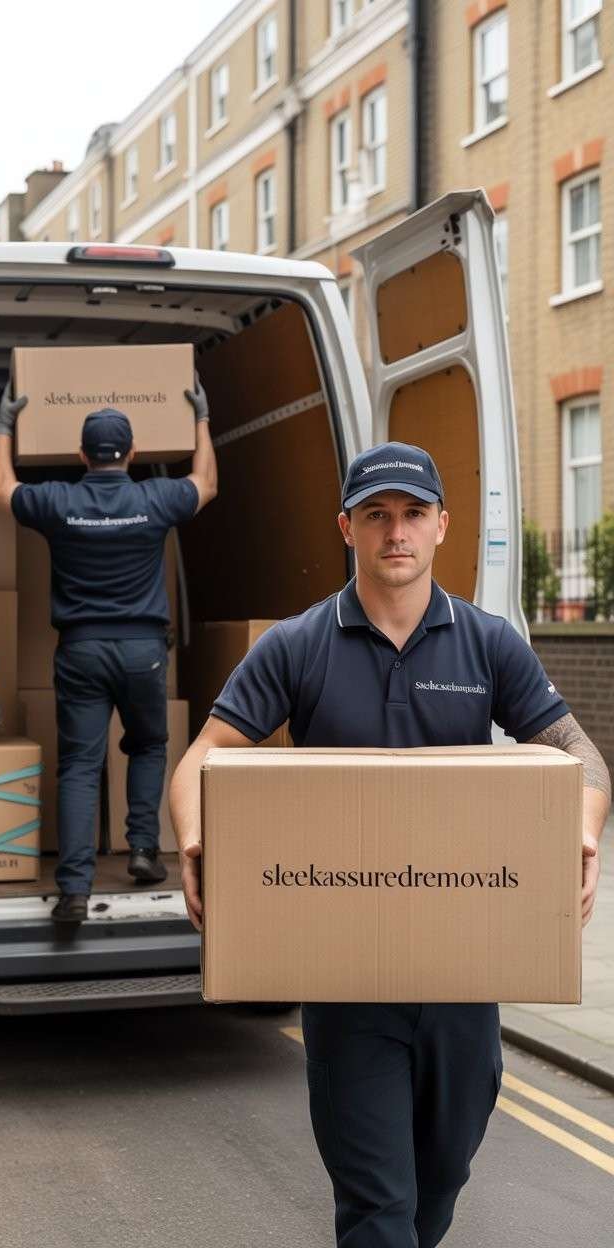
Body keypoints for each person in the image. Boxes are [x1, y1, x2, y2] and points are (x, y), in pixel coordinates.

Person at [169, 440, 609, 1248]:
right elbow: (205, 755)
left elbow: (579, 753)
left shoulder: (488, 643)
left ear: (443, 525)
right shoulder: (298, 645)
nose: (395, 532)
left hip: (463, 970)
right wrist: (197, 842)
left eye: (412, 514)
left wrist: (579, 835)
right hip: (345, 978)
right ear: (347, 527)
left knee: (439, 1179)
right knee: (379, 1211)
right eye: (377, 516)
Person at [0, 373, 217, 923]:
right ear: (133, 452)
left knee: (80, 766)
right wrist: (203, 419)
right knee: (148, 745)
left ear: (82, 455)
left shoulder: (59, 502)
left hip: (82, 651)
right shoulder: (154, 499)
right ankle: (141, 848)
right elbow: (206, 483)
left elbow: (0, 489)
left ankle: (72, 891)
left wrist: (4, 424)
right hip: (143, 652)